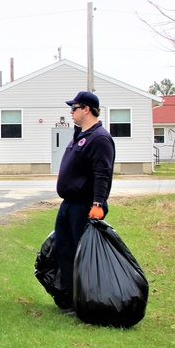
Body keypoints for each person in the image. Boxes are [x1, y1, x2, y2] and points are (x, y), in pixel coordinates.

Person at [54, 90, 115, 314]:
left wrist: (98, 204)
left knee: (83, 255)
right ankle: (72, 299)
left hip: (85, 206)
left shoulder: (99, 138)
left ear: (87, 109)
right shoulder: (81, 135)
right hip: (68, 204)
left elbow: (102, 174)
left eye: (74, 108)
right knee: (64, 250)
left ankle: (87, 300)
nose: (71, 112)